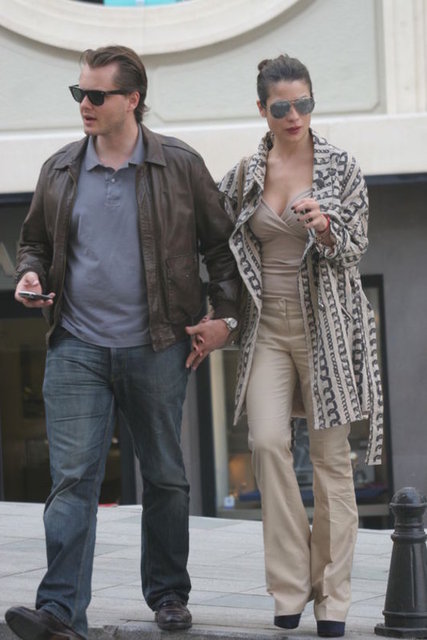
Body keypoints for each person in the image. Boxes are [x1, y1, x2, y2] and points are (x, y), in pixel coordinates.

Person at [5, 45, 239, 640]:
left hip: (158, 344)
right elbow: (34, 244)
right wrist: (29, 275)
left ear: (132, 99)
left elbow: (222, 249)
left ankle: (168, 593)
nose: (84, 104)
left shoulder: (179, 165)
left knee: (165, 476)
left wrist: (225, 320)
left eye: (96, 94)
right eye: (78, 93)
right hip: (76, 345)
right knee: (72, 479)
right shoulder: (60, 168)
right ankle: (60, 609)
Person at [217, 55, 383, 638]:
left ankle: (332, 597)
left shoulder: (341, 167)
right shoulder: (245, 174)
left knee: (332, 462)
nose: (294, 116)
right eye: (282, 106)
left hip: (327, 329)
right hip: (266, 325)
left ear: (313, 103)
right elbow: (215, 238)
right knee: (266, 443)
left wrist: (326, 227)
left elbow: (357, 245)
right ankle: (289, 587)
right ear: (262, 109)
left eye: (304, 104)